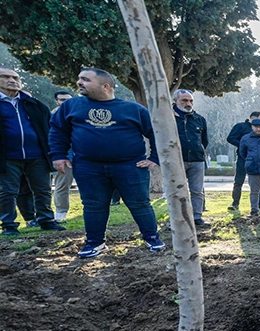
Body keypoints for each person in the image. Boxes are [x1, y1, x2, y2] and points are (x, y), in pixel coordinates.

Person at [49, 67, 164, 258]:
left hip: (130, 166)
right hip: (88, 166)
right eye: (79, 78)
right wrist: (58, 155)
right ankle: (95, 243)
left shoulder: (132, 109)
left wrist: (153, 159)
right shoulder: (72, 106)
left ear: (105, 86)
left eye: (85, 79)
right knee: (93, 205)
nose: (79, 83)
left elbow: (157, 133)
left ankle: (152, 238)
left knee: (140, 204)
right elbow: (58, 131)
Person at [1, 66, 65, 236]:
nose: (12, 81)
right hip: (7, 157)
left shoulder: (33, 104)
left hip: (37, 155)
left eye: (15, 78)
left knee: (43, 189)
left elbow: (50, 129)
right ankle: (8, 225)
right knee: (8, 191)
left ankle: (46, 220)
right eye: (6, 77)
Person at [172, 89, 210, 228]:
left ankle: (197, 218)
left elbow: (204, 140)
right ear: (175, 101)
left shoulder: (199, 119)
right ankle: (177, 219)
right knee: (176, 192)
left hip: (196, 160)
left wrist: (199, 151)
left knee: (197, 191)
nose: (188, 104)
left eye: (191, 101)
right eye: (184, 100)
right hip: (176, 160)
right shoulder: (168, 118)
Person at [226, 111, 260, 210]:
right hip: (243, 158)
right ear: (253, 118)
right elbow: (230, 138)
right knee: (239, 180)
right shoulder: (240, 126)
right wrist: (243, 145)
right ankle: (235, 202)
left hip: (257, 158)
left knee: (259, 180)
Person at [51, 91, 74, 222]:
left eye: (68, 100)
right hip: (64, 156)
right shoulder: (53, 115)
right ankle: (61, 211)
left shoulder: (77, 114)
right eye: (62, 100)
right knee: (62, 185)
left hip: (82, 155)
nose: (66, 102)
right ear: (57, 101)